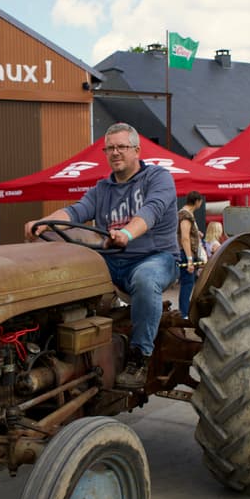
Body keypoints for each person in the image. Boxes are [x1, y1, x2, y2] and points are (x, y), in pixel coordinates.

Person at [25, 122, 179, 389]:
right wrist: (42, 222)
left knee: (145, 279)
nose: (115, 153)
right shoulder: (102, 188)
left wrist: (128, 234)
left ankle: (139, 357)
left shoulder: (157, 178)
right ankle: (52, 344)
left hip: (155, 258)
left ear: (137, 150)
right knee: (67, 269)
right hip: (112, 260)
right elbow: (75, 212)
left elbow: (151, 211)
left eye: (121, 147)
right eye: (110, 148)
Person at [177, 191, 204, 320]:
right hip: (186, 253)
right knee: (187, 284)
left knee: (188, 283)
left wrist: (196, 233)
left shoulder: (185, 214)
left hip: (186, 253)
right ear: (197, 201)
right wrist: (189, 260)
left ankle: (185, 311)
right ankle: (184, 313)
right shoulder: (185, 215)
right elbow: (185, 238)